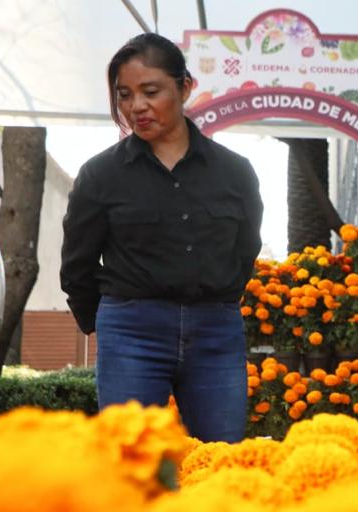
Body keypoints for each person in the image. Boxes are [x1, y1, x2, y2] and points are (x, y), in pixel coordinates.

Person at [60, 33, 263, 442]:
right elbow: (77, 264)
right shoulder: (101, 175)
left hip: (215, 333)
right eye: (124, 95)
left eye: (150, 91)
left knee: (221, 462)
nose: (136, 106)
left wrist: (217, 300)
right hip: (131, 331)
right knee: (131, 464)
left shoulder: (235, 172)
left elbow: (246, 250)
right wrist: (104, 320)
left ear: (185, 87)